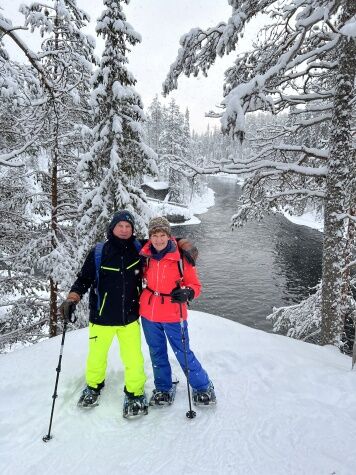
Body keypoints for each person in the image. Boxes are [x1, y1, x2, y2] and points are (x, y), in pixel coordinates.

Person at [60, 210, 197, 418]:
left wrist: (186, 243)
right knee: (96, 357)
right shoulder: (98, 252)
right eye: (120, 226)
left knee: (133, 359)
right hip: (101, 317)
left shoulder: (138, 248)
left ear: (133, 230)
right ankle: (93, 387)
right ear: (112, 228)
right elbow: (83, 280)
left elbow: (164, 240)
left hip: (130, 317)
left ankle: (135, 393)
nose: (124, 230)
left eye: (128, 226)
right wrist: (72, 298)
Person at [139, 216, 216, 407]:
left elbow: (195, 285)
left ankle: (202, 386)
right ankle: (163, 388)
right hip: (149, 313)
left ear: (168, 236)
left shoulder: (181, 257)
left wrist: (188, 292)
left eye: (162, 235)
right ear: (150, 237)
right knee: (156, 352)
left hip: (174, 313)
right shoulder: (144, 254)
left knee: (182, 351)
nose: (158, 239)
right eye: (154, 235)